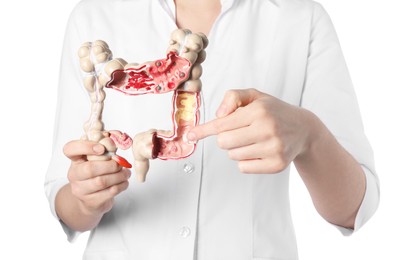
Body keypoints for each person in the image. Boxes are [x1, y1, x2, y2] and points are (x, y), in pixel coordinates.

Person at [45, 0, 380, 259]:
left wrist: (309, 135)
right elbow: (64, 198)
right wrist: (85, 199)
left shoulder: (300, 17)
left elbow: (355, 208)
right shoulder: (93, 15)